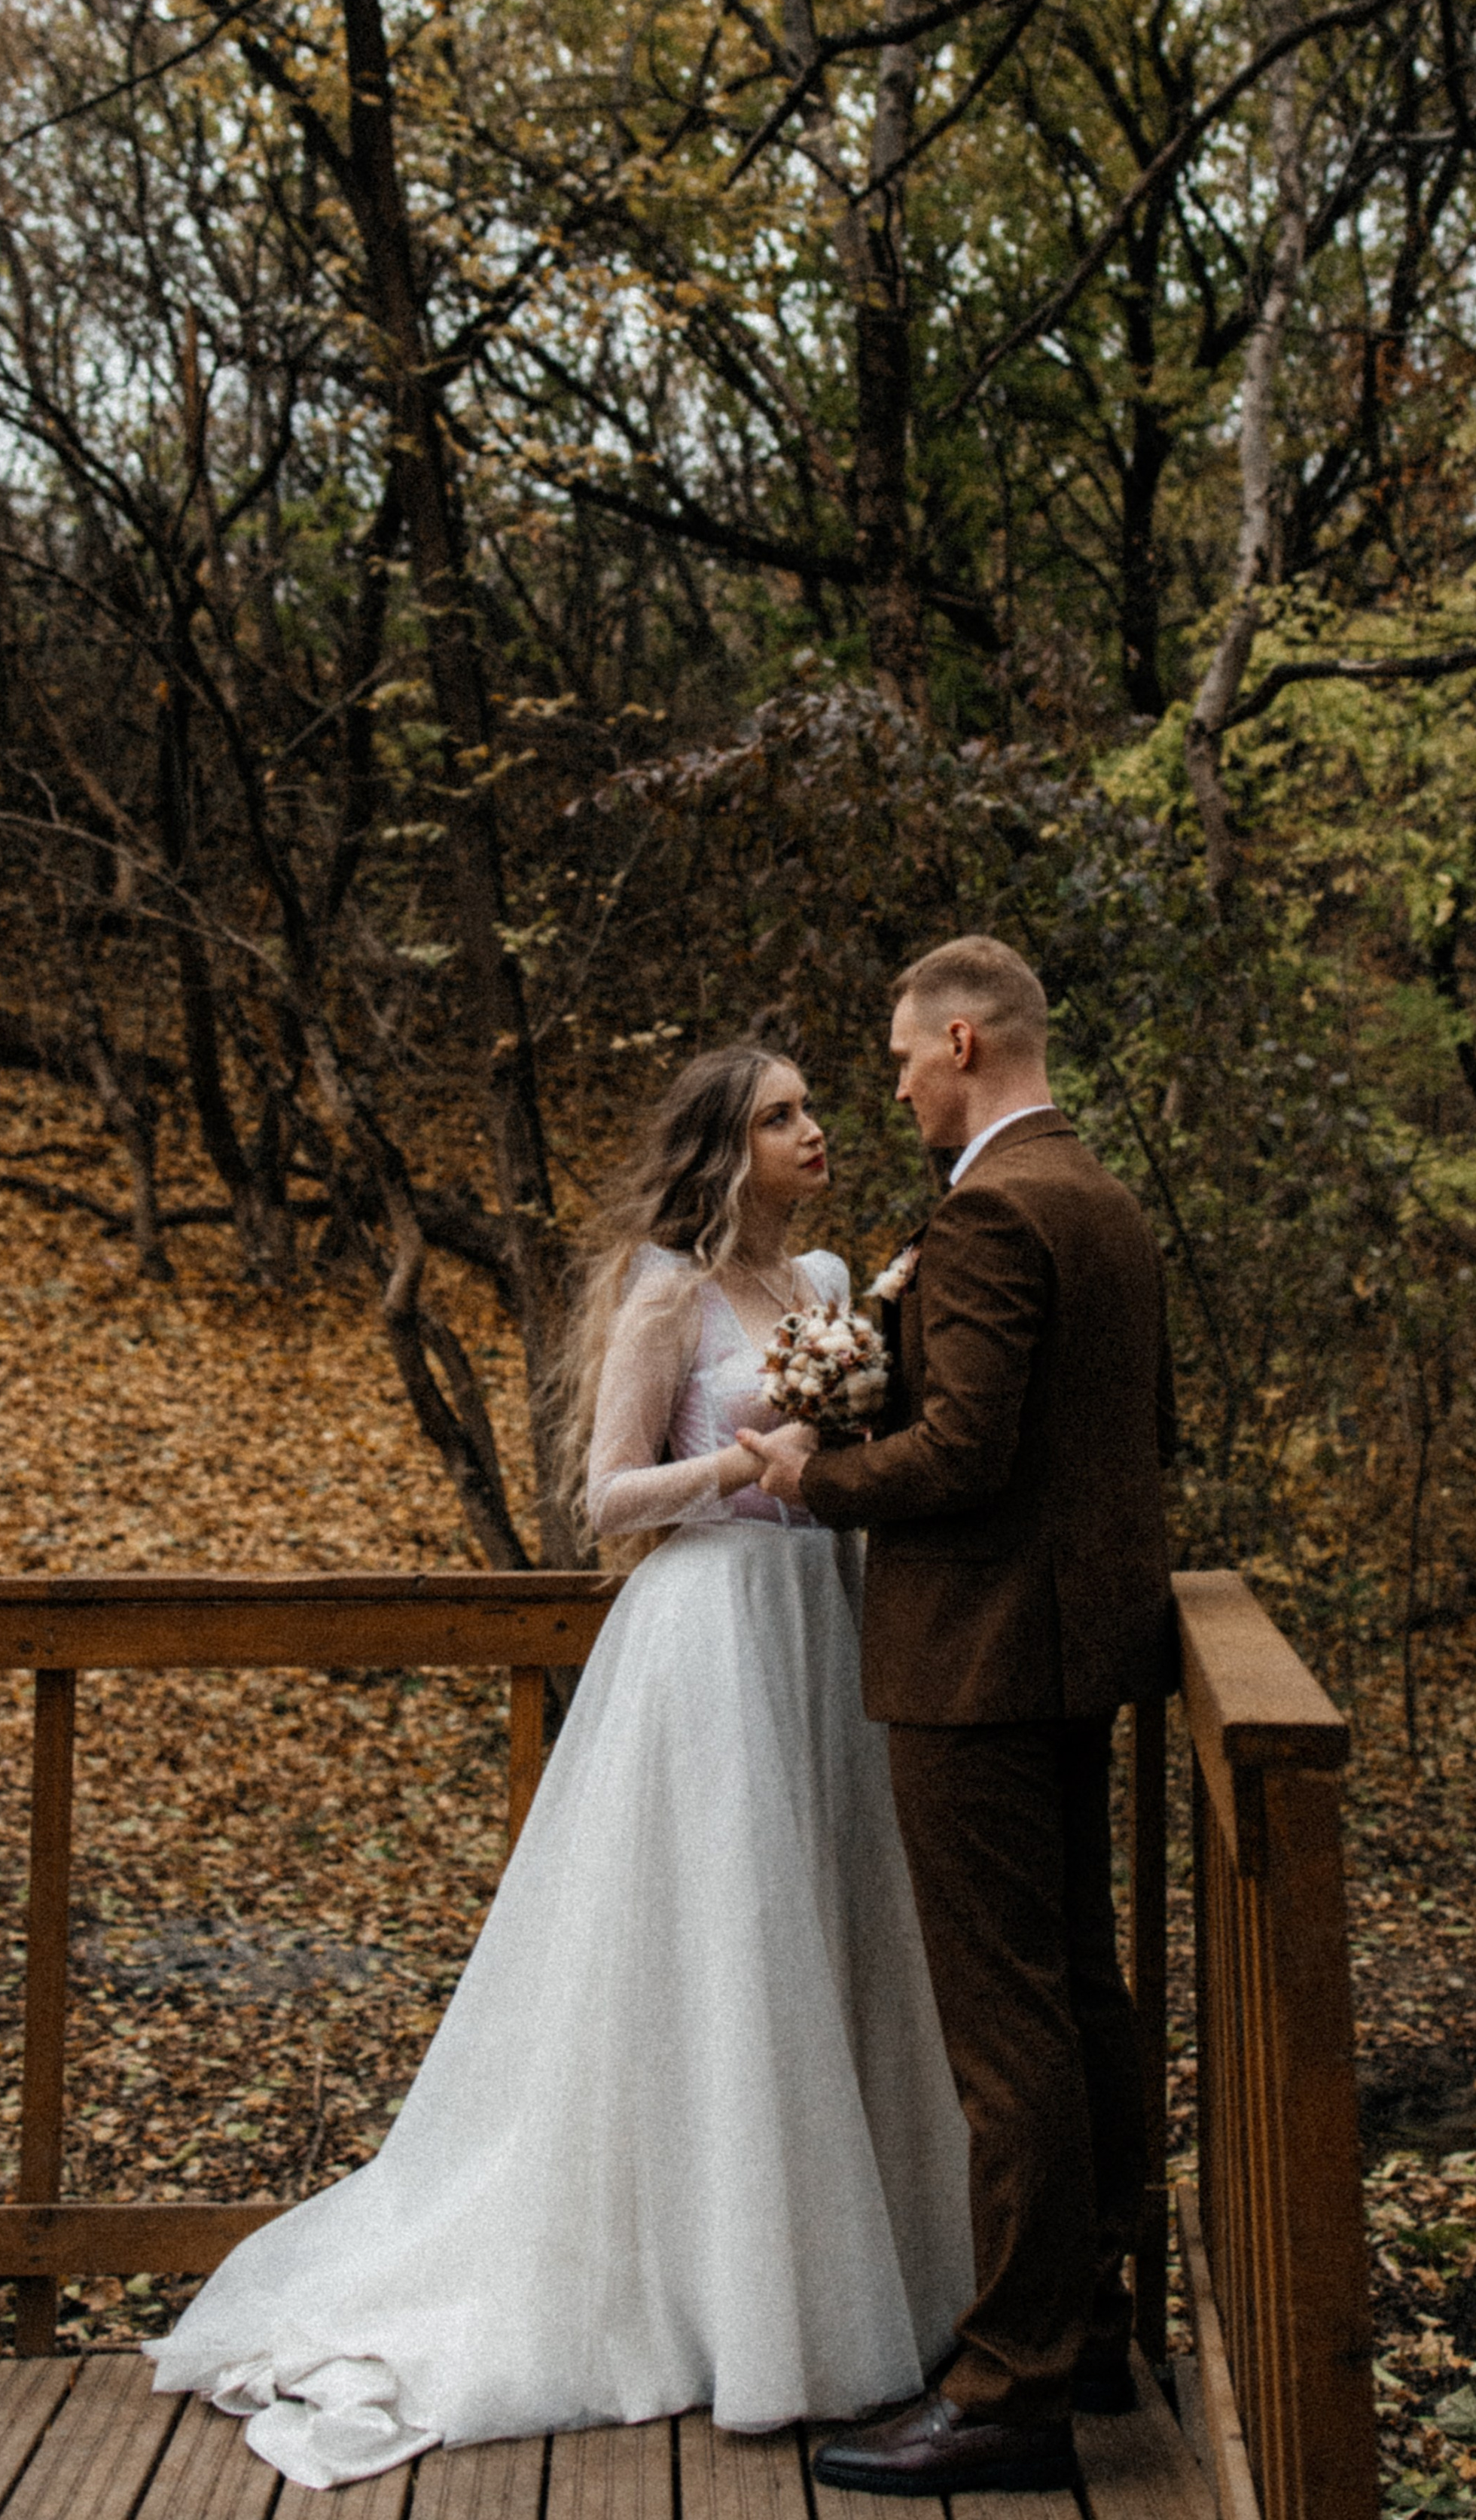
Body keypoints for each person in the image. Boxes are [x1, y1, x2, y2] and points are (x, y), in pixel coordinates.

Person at [145, 1045, 972, 2490]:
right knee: (720, 1951)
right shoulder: (669, 1295)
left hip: (820, 1636)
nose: (814, 1130)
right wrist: (742, 1463)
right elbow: (602, 1496)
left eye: (812, 1109)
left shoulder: (833, 1285)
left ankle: (837, 2281)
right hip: (709, 1638)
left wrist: (844, 1436)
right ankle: (712, 2297)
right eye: (781, 1116)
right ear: (725, 1149)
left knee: (827, 1940)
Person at [741, 936, 1176, 2498]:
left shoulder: (992, 1207)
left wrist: (814, 1474)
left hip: (978, 1662)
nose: (899, 1083)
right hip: (1070, 1654)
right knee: (1077, 1995)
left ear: (968, 1038)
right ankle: (1091, 2321)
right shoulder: (1103, 1203)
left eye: (908, 1054)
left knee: (1004, 2030)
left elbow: (965, 1458)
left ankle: (1007, 2386)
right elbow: (1129, 1438)